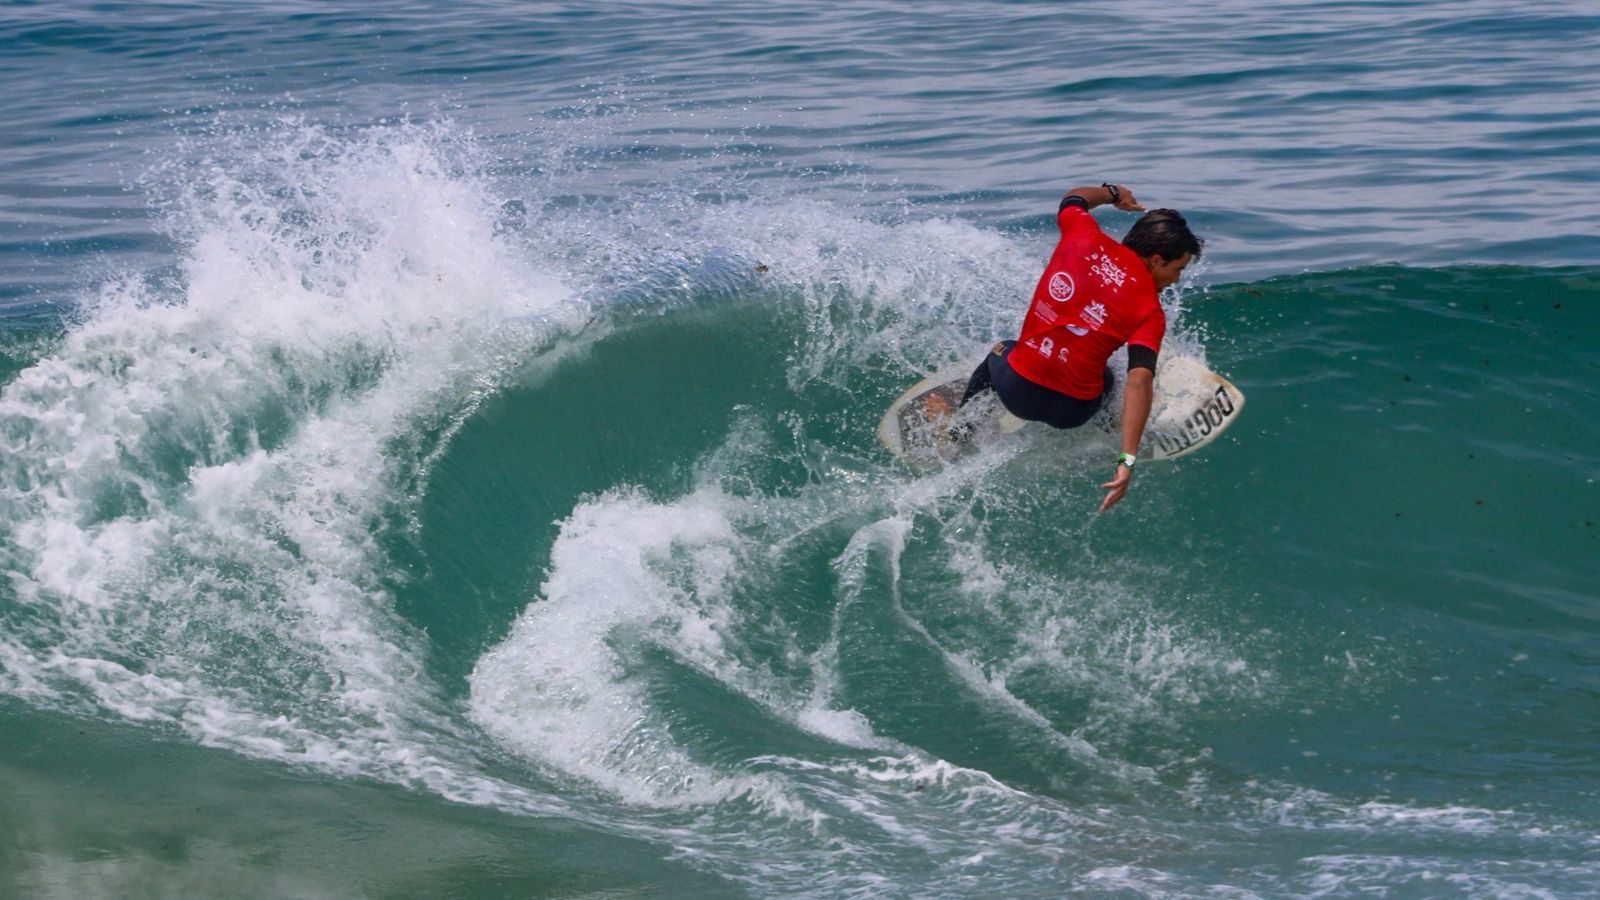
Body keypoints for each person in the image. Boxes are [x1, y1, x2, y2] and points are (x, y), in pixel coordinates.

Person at [959, 183, 1202, 513]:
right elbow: (1140, 382)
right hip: (1073, 412)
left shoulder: (1082, 234)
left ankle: (961, 432)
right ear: (1156, 260)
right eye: (1177, 270)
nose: (1176, 280)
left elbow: (1075, 199)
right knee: (1109, 377)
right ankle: (1105, 430)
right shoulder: (1150, 311)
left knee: (1001, 350)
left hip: (1019, 392)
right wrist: (1126, 460)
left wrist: (1115, 194)